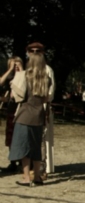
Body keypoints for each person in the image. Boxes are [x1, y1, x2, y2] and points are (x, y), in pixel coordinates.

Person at [9, 53, 51, 186]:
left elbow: (18, 96)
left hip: (25, 114)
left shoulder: (25, 76)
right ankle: (37, 176)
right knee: (36, 147)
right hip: (38, 115)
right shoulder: (47, 79)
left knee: (23, 147)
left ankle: (27, 177)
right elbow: (45, 98)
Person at [25, 42, 55, 175]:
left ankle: (41, 168)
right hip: (26, 110)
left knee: (41, 139)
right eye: (32, 50)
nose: (35, 52)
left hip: (41, 108)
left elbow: (50, 93)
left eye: (38, 50)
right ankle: (30, 166)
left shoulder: (47, 70)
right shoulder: (26, 70)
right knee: (28, 138)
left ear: (43, 53)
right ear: (28, 52)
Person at [0, 57, 24, 173]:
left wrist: (21, 69)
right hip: (11, 109)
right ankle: (13, 161)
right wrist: (10, 70)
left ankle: (22, 162)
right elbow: (0, 81)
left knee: (21, 137)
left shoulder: (24, 76)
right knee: (10, 136)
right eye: (12, 65)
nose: (15, 67)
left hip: (22, 110)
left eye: (16, 65)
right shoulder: (9, 77)